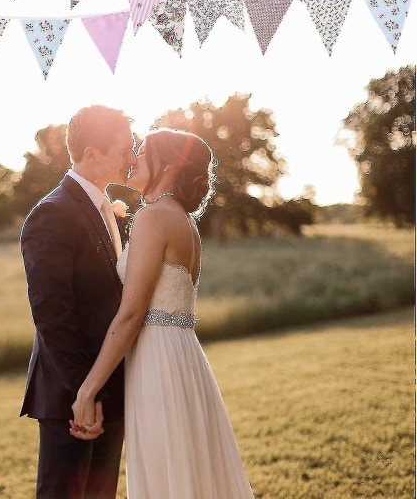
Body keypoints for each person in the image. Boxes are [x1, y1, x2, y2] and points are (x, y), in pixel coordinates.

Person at [70, 128, 255, 498]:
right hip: (183, 357)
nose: (132, 157)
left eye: (141, 150)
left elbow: (131, 314)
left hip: (158, 364)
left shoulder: (153, 218)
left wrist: (87, 391)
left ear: (168, 164)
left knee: (167, 475)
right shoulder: (185, 223)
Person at [19, 104, 137, 499]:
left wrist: (106, 388)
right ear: (92, 154)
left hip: (110, 385)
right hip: (72, 395)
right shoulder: (52, 215)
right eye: (124, 149)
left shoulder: (108, 210)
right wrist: (87, 393)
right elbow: (53, 316)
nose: (132, 158)